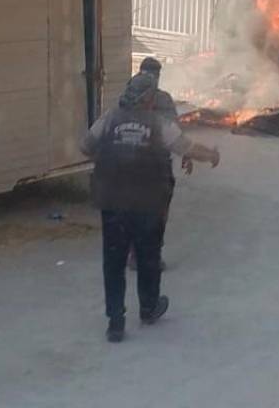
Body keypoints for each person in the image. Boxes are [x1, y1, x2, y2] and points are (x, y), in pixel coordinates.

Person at [81, 72, 220, 343]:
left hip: (112, 201)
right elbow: (186, 148)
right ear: (147, 99)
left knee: (114, 261)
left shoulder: (109, 118)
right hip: (148, 203)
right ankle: (148, 308)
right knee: (148, 257)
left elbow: (84, 146)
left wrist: (112, 155)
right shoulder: (158, 124)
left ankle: (115, 323)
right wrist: (212, 154)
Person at [128, 57, 182, 272]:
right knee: (157, 213)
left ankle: (135, 255)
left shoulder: (127, 97)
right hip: (156, 166)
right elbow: (174, 132)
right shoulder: (163, 99)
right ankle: (149, 256)